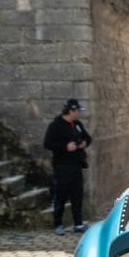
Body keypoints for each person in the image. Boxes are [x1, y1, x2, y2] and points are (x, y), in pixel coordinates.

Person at [43, 98, 92, 236]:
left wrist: (84, 143)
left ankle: (78, 223)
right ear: (71, 111)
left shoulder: (77, 124)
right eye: (78, 111)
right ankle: (58, 224)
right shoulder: (56, 125)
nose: (79, 114)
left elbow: (88, 138)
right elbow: (48, 143)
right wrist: (65, 147)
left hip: (76, 165)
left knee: (77, 195)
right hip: (62, 166)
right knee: (61, 195)